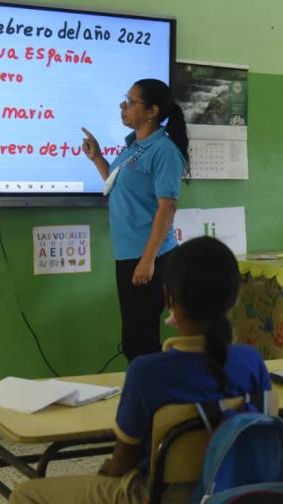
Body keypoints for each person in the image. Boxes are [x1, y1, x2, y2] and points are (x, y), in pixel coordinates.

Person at [9, 236, 271, 504]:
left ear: (169, 298)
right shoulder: (252, 362)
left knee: (25, 494)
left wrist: (108, 470)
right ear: (235, 298)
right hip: (236, 495)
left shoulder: (147, 372)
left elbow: (123, 462)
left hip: (159, 498)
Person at [81, 79, 190, 362]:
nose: (123, 107)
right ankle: (145, 397)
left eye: (130, 102)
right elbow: (114, 184)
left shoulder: (163, 151)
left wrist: (148, 259)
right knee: (134, 337)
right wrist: (97, 158)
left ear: (152, 111)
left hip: (149, 256)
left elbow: (167, 207)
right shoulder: (133, 148)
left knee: (140, 339)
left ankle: (150, 401)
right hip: (129, 254)